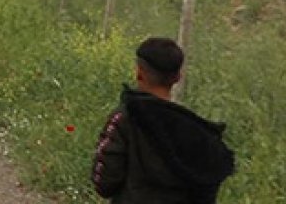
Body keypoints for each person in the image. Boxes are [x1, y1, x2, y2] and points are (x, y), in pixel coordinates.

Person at [91, 37, 235, 203]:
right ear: (178, 77)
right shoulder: (195, 131)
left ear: (139, 72)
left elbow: (105, 181)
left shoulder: (125, 119)